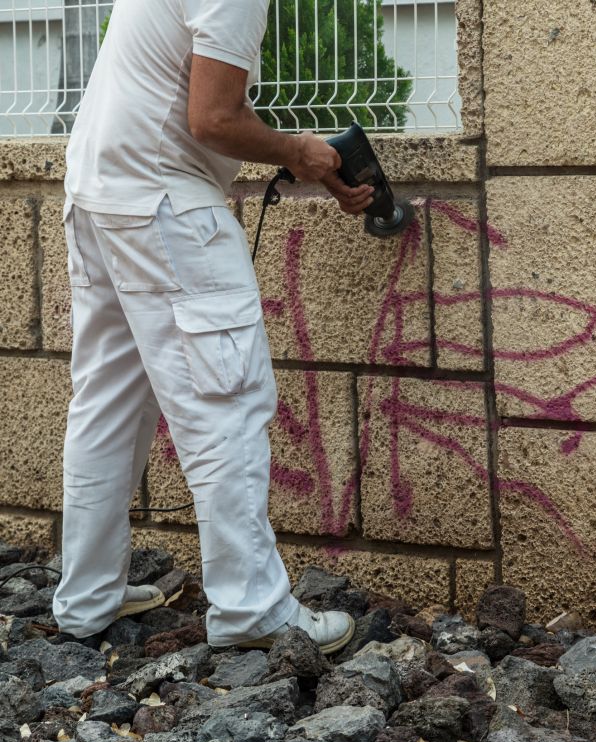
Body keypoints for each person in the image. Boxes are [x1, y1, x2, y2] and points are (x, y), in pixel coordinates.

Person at [52, 0, 373, 653]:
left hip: (98, 191)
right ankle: (252, 607)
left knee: (107, 402)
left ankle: (87, 598)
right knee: (227, 403)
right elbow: (214, 119)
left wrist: (303, 157)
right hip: (160, 204)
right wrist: (298, 151)